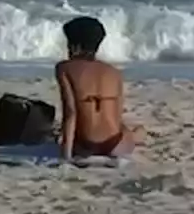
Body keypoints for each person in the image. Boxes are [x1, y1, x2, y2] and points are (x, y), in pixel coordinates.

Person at [56, 16, 143, 159]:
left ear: (75, 45)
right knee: (135, 131)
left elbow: (71, 114)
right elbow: (117, 114)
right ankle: (136, 136)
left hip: (86, 145)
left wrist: (65, 157)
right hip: (115, 144)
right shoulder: (115, 72)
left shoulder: (64, 68)